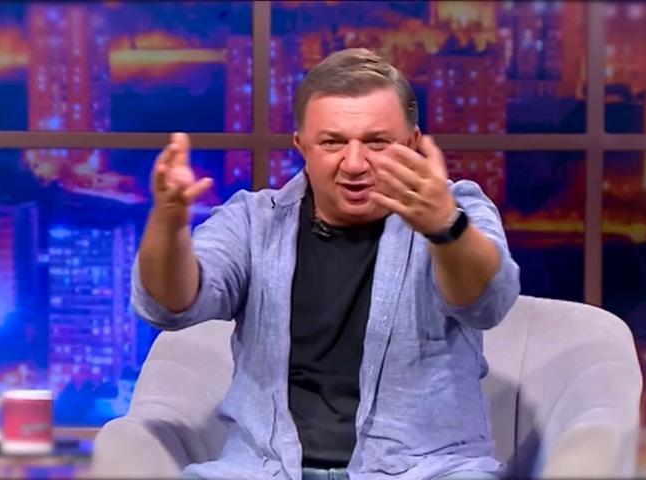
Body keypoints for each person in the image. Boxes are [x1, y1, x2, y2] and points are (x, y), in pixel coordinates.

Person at [132, 48, 521, 480]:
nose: (354, 164)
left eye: (377, 142)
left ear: (412, 143)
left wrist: (444, 227)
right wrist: (169, 222)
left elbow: (489, 303)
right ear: (301, 145)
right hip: (266, 471)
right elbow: (170, 305)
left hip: (427, 471)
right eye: (333, 142)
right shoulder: (254, 222)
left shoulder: (459, 208)